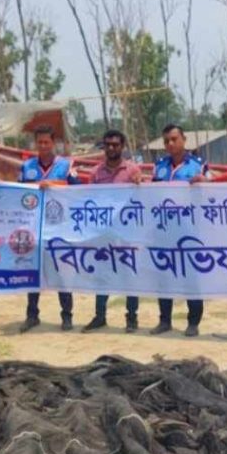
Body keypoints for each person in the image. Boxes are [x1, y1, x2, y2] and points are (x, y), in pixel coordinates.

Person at [151, 124, 212, 337]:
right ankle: (164, 320)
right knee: (163, 276)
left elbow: (215, 190)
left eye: (174, 139)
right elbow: (150, 195)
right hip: (163, 229)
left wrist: (205, 182)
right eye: (166, 140)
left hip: (190, 230)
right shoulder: (159, 166)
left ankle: (193, 322)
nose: (170, 143)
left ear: (184, 140)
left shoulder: (198, 165)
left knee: (191, 276)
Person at [81, 130, 143, 333]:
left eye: (115, 144)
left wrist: (141, 184)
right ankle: (100, 316)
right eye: (108, 144)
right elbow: (89, 201)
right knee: (102, 274)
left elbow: (143, 198)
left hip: (126, 232)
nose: (111, 148)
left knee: (129, 274)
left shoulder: (132, 170)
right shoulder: (96, 173)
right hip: (103, 232)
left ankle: (131, 318)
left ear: (122, 146)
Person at [18, 125, 78, 333]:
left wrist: (52, 184)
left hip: (59, 227)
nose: (43, 146)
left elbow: (78, 189)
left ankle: (67, 316)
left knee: (61, 271)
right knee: (33, 271)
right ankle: (32, 315)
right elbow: (18, 192)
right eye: (40, 142)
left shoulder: (66, 165)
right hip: (34, 226)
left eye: (47, 142)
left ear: (54, 143)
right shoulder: (27, 166)